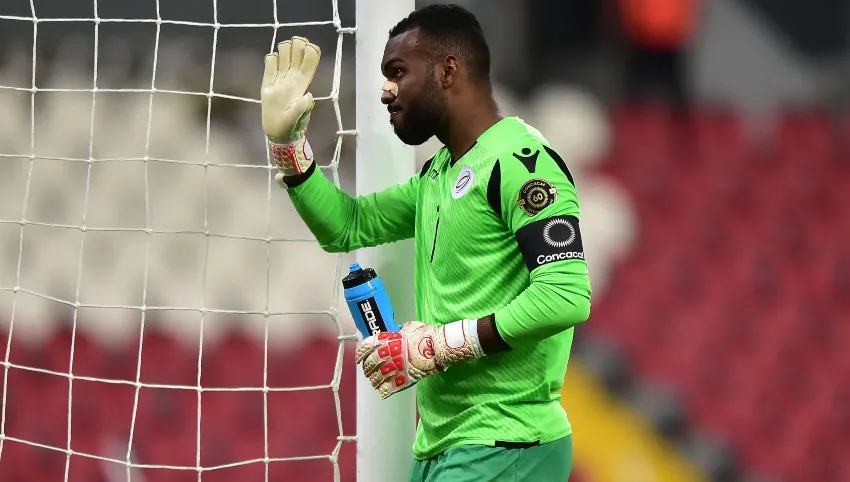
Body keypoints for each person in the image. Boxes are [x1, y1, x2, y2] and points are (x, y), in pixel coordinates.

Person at [260, 4, 591, 481]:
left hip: (507, 440)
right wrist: (289, 149)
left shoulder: (520, 163)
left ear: (448, 70)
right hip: (444, 444)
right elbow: (346, 225)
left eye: (398, 71)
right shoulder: (438, 175)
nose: (385, 90)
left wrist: (437, 346)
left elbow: (565, 297)